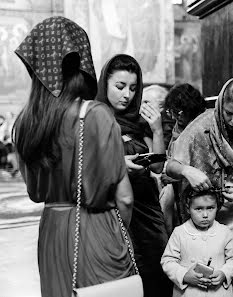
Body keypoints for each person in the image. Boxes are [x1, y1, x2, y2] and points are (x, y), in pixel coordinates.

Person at [12, 16, 135, 297]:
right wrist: (118, 233)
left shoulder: (26, 123)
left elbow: (35, 191)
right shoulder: (96, 114)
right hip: (97, 228)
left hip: (52, 232)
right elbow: (125, 198)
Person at [166, 77, 233, 297]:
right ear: (220, 106)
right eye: (228, 113)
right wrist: (188, 171)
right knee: (207, 275)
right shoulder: (201, 126)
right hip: (206, 214)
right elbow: (169, 166)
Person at [95, 54, 171, 297]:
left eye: (133, 88)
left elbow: (158, 167)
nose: (127, 94)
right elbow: (85, 168)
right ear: (104, 84)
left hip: (148, 210)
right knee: (124, 280)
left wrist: (157, 128)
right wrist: (117, 166)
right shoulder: (94, 120)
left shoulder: (139, 121)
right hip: (114, 210)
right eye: (120, 86)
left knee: (157, 276)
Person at [161, 187, 233, 297]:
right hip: (188, 293)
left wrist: (224, 273)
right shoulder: (179, 232)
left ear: (217, 207)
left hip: (218, 293)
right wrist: (184, 275)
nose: (205, 215)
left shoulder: (224, 232)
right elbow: (168, 260)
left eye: (210, 208)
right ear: (188, 209)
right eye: (198, 209)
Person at [159, 83, 207, 233]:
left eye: (180, 112)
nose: (175, 116)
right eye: (173, 111)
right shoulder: (177, 127)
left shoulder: (202, 128)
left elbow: (203, 166)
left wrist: (177, 176)